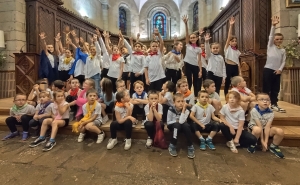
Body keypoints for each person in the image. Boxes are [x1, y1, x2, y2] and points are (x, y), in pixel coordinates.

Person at [247, 93, 285, 158]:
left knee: (280, 131)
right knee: (257, 130)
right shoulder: (254, 111)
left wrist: (266, 142)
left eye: (267, 100)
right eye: (262, 99)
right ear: (257, 101)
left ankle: (274, 146)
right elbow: (260, 126)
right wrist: (262, 141)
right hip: (256, 128)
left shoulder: (271, 112)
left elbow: (267, 127)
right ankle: (253, 144)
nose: (265, 101)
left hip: (265, 128)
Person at [263, 16, 286, 113]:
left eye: (280, 39)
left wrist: (280, 69)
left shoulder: (282, 50)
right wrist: (273, 25)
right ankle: (264, 105)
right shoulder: (270, 46)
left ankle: (274, 104)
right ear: (274, 40)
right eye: (277, 39)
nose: (279, 40)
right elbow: (271, 36)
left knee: (275, 89)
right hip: (268, 69)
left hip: (277, 71)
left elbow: (283, 61)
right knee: (266, 88)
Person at [167, 93, 195, 159]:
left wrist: (183, 110)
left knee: (186, 125)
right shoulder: (170, 109)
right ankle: (172, 145)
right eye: (178, 101)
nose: (181, 103)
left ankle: (190, 145)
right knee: (177, 125)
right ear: (174, 103)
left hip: (182, 126)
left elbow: (182, 121)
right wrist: (176, 121)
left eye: (182, 101)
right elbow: (168, 122)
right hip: (173, 126)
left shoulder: (186, 110)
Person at [182, 15, 202, 97]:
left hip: (195, 65)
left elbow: (200, 60)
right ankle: (188, 95)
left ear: (197, 38)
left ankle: (196, 96)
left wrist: (200, 70)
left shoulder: (199, 48)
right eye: (191, 38)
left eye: (194, 37)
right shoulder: (188, 45)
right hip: (188, 64)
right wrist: (186, 24)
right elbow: (187, 34)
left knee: (196, 81)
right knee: (189, 81)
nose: (192, 39)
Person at [224, 17, 242, 97]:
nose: (234, 42)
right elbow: (229, 36)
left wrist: (240, 71)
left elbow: (238, 62)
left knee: (236, 82)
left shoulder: (237, 51)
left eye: (235, 41)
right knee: (227, 82)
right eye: (232, 41)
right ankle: (226, 95)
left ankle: (235, 96)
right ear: (230, 42)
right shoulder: (227, 48)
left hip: (235, 67)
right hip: (228, 66)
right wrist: (231, 26)